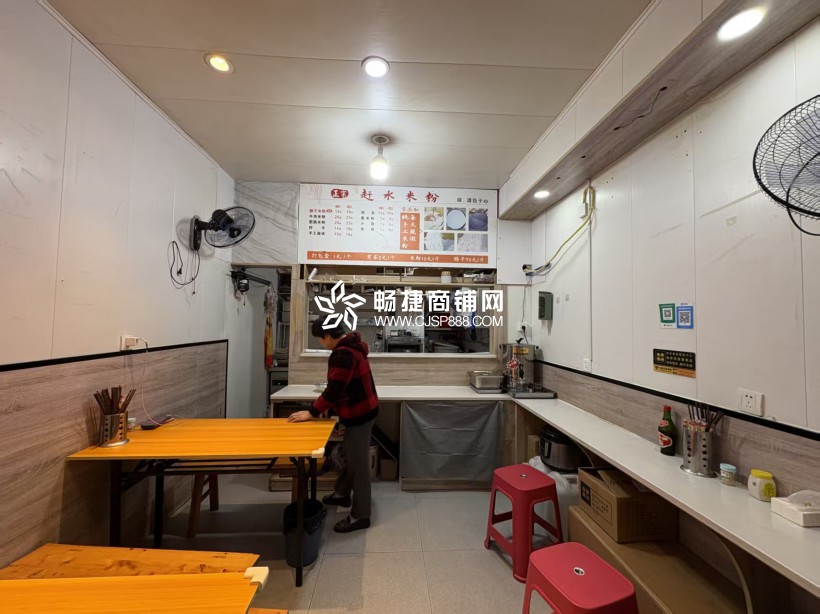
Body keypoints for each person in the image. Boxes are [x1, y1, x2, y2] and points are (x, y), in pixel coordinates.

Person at [287, 319, 379, 533]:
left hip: (359, 414)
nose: (321, 343)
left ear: (328, 336)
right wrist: (329, 409)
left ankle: (361, 516)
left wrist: (311, 411)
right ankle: (342, 494)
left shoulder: (343, 354)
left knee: (358, 465)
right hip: (363, 409)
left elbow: (334, 390)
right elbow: (344, 387)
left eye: (321, 339)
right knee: (349, 455)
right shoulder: (354, 346)